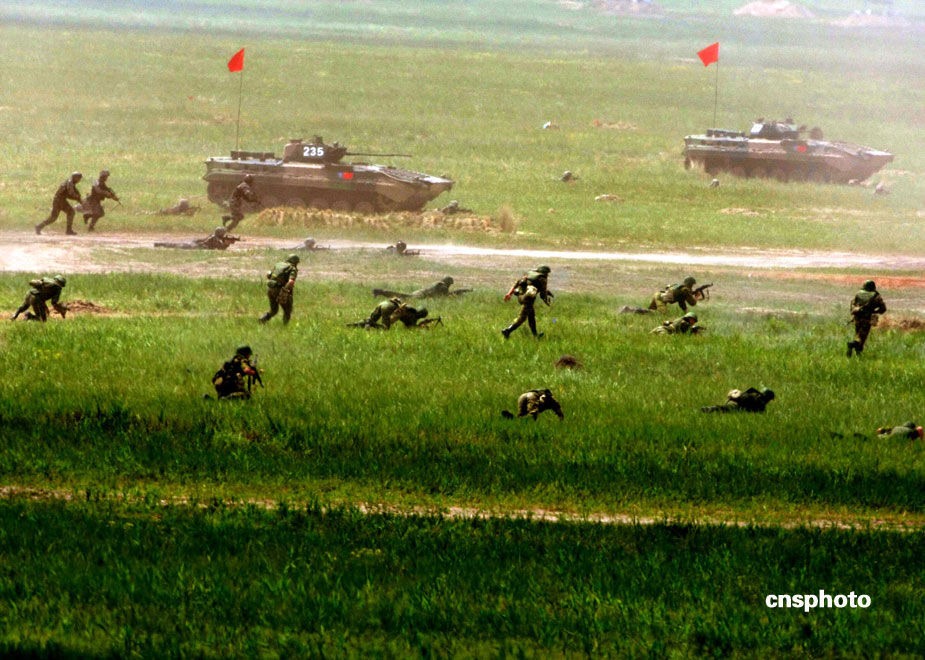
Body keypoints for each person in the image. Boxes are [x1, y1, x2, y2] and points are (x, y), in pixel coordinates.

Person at [502, 266, 552, 339]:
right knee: (522, 318)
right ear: (544, 273)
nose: (547, 275)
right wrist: (547, 301)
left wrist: (509, 294)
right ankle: (507, 330)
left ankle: (535, 335)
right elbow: (542, 294)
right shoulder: (542, 279)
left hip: (521, 297)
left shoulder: (529, 275)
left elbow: (517, 283)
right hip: (528, 300)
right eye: (547, 273)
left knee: (531, 316)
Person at [847, 280, 886, 357]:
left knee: (858, 335)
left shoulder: (858, 294)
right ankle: (852, 344)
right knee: (862, 337)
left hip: (857, 318)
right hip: (867, 318)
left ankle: (858, 354)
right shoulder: (876, 296)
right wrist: (875, 311)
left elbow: (853, 305)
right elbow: (883, 308)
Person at [259, 254, 299, 324]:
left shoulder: (278, 264)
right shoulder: (292, 268)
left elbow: (268, 274)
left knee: (273, 310)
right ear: (295, 262)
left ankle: (261, 321)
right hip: (279, 290)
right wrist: (284, 291)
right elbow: (291, 282)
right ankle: (285, 328)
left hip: (270, 289)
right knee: (287, 311)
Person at [372, 276, 470, 300]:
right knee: (402, 297)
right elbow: (445, 297)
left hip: (420, 292)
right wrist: (459, 292)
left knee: (402, 296)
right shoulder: (443, 287)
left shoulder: (439, 284)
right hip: (421, 294)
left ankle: (381, 292)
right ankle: (380, 292)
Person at [153, 227, 240, 250]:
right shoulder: (214, 238)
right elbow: (220, 248)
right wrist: (227, 244)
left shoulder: (215, 238)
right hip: (194, 246)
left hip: (196, 245)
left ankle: (159, 244)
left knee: (175, 245)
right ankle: (159, 244)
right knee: (175, 245)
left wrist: (228, 243)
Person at [702, 387, 775, 413]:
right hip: (738, 408)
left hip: (737, 405)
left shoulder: (753, 397)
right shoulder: (761, 406)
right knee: (724, 409)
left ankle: (708, 409)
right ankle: (708, 409)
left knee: (723, 408)